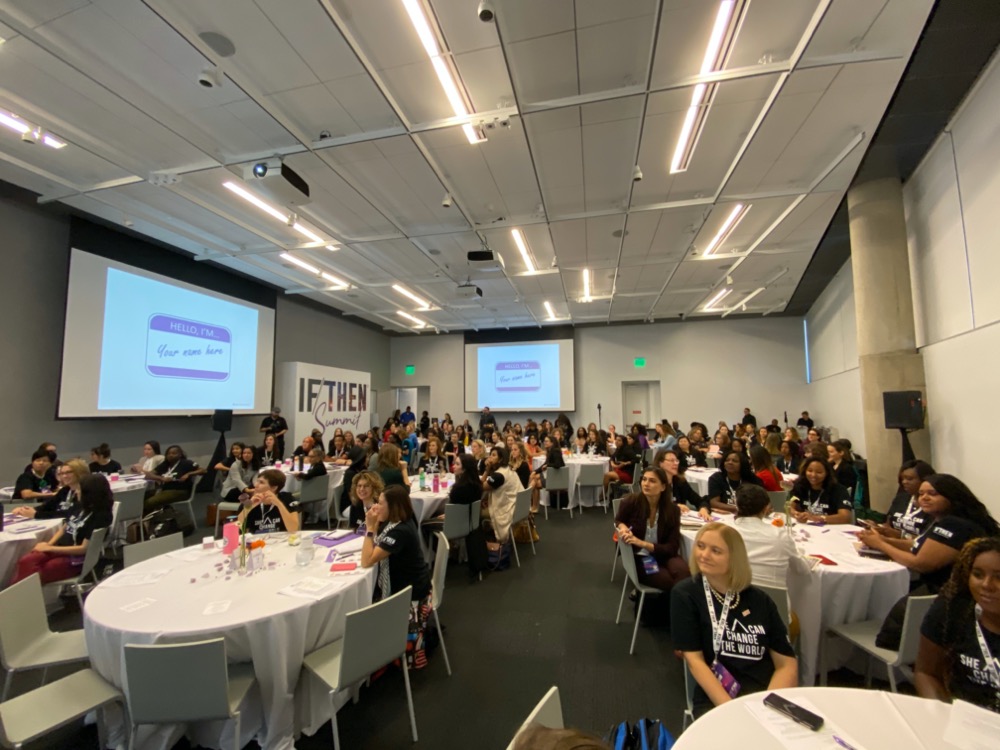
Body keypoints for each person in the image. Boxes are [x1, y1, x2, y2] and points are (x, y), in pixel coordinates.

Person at [671, 523, 798, 717]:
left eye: (716, 551)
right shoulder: (686, 594)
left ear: (734, 558)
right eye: (701, 546)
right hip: (719, 698)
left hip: (766, 694)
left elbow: (786, 663)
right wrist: (733, 711)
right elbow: (695, 661)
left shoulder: (760, 600)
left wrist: (769, 707)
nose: (704, 555)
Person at [857, 474, 1000, 593]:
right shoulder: (939, 519)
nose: (924, 498)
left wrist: (881, 544)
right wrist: (883, 539)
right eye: (921, 494)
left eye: (932, 494)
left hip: (941, 592)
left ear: (951, 497)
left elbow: (920, 563)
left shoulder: (955, 525)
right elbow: (918, 545)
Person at [915, 536, 1000, 714]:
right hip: (964, 720)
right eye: (977, 574)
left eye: (999, 577)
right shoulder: (952, 610)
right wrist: (942, 716)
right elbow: (926, 673)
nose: (986, 585)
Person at [361, 485, 433, 668]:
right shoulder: (401, 521)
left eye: (381, 503)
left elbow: (367, 560)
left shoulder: (399, 531)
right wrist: (376, 523)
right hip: (416, 580)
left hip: (409, 591)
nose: (376, 506)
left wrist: (370, 528)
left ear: (393, 507)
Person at [10, 474, 115, 585]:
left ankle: (17, 596)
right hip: (60, 549)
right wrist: (48, 545)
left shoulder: (101, 516)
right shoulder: (79, 506)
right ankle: (19, 595)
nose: (76, 492)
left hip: (77, 558)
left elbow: (83, 548)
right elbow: (65, 528)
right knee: (26, 561)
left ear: (90, 493)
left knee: (36, 572)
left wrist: (50, 549)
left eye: (80, 490)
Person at [614, 467, 691, 600]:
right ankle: (669, 615)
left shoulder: (672, 510)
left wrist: (642, 543)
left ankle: (671, 612)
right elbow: (619, 520)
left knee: (685, 575)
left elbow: (673, 547)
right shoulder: (631, 502)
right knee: (669, 581)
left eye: (652, 481)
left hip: (665, 554)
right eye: (644, 479)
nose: (646, 484)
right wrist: (623, 527)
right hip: (643, 557)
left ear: (662, 487)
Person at [733, 485, 810, 588]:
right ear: (766, 508)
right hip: (775, 600)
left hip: (734, 593)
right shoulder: (780, 535)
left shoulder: (725, 532)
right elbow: (802, 570)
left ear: (736, 505)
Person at [13, 459, 89, 520]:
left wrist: (36, 515)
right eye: (62, 473)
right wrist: (26, 510)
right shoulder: (65, 490)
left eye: (68, 472)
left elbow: (69, 513)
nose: (64, 476)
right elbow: (48, 506)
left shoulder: (86, 491)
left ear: (79, 472)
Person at [877, 459, 935, 539]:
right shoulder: (901, 498)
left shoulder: (933, 505)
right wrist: (878, 528)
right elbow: (888, 524)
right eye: (902, 479)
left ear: (924, 480)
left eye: (909, 479)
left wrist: (899, 535)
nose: (904, 482)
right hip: (891, 544)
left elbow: (927, 541)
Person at [788, 457, 853, 525]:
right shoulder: (800, 486)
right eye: (810, 471)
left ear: (827, 473)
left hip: (831, 529)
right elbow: (789, 507)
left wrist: (817, 518)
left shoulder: (839, 490)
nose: (813, 475)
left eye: (819, 472)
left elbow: (845, 517)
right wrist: (796, 514)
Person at [143, 445, 204, 513]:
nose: (170, 455)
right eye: (168, 453)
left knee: (149, 502)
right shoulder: (166, 464)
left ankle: (144, 521)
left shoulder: (186, 463)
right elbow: (149, 475)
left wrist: (189, 474)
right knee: (141, 497)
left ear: (180, 454)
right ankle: (146, 520)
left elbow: (203, 470)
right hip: (164, 489)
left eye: (174, 453)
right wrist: (161, 478)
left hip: (180, 491)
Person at [236, 469, 299, 534]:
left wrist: (279, 504)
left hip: (281, 540)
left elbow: (293, 529)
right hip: (257, 541)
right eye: (257, 481)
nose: (255, 485)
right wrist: (248, 508)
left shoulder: (287, 498)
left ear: (274, 488)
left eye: (261, 482)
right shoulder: (250, 501)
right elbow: (236, 528)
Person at [655, 448, 708, 519]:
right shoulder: (654, 482)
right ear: (660, 463)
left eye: (676, 460)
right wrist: (674, 507)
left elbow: (699, 500)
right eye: (671, 460)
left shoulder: (679, 482)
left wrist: (703, 509)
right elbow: (652, 505)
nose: (675, 463)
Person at [482, 446, 519, 543]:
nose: (490, 458)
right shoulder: (509, 469)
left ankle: (483, 543)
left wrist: (487, 469)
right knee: (483, 504)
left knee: (475, 513)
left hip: (506, 509)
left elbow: (480, 487)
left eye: (493, 455)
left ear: (501, 458)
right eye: (490, 455)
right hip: (516, 506)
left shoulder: (498, 476)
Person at [530, 436, 565, 512]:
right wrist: (535, 471)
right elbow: (545, 464)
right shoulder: (550, 451)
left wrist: (547, 466)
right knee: (534, 477)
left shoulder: (556, 451)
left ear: (552, 443)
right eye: (544, 441)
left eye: (547, 441)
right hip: (551, 475)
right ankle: (533, 506)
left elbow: (558, 464)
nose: (544, 443)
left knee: (535, 484)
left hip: (556, 477)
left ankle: (533, 505)